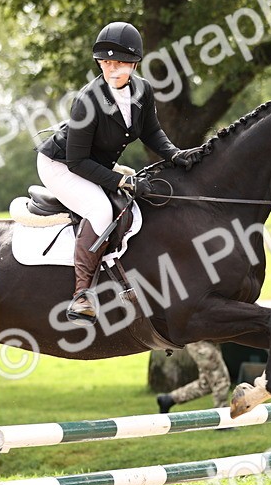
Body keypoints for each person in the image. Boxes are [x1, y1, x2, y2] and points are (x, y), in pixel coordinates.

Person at [37, 21, 206, 323]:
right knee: (101, 209)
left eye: (119, 63)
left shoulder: (142, 90)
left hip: (94, 163)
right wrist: (123, 180)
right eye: (105, 62)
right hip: (61, 165)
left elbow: (152, 132)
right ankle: (81, 295)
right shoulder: (88, 100)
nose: (111, 69)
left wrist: (176, 154)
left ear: (134, 63)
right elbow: (77, 162)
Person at [157, 341, 232, 413]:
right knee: (220, 380)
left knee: (206, 384)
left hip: (203, 342)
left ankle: (169, 399)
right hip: (201, 343)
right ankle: (222, 415)